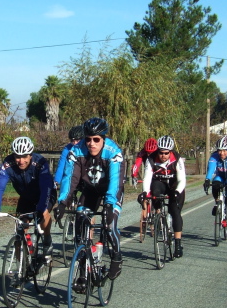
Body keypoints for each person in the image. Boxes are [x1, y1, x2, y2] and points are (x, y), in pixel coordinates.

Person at [53, 117, 125, 281]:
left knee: (109, 222)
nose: (91, 143)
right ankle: (84, 269)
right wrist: (62, 202)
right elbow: (70, 178)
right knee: (80, 221)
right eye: (88, 139)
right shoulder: (76, 151)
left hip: (110, 190)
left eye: (96, 139)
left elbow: (115, 181)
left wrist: (109, 204)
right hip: (90, 190)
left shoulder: (113, 152)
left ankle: (117, 256)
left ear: (103, 139)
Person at [0, 136, 54, 259]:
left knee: (44, 213)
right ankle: (21, 269)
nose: (21, 160)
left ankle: (47, 239)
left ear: (30, 155)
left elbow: (46, 188)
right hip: (26, 197)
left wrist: (40, 208)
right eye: (17, 156)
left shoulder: (40, 162)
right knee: (20, 231)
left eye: (24, 156)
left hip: (45, 194)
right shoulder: (8, 163)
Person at [140, 136, 187, 257]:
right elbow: (147, 178)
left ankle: (177, 244)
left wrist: (177, 192)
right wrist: (145, 193)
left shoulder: (176, 158)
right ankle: (159, 213)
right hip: (159, 183)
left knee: (175, 211)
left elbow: (182, 179)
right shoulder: (151, 159)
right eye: (161, 153)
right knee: (155, 191)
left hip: (174, 185)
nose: (163, 156)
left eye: (166, 153)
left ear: (170, 152)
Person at [203, 135, 227, 238]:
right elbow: (211, 170)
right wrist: (207, 180)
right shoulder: (214, 156)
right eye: (219, 150)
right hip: (220, 176)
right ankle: (217, 202)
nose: (221, 153)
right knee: (215, 184)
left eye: (224, 151)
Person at [132, 138, 158, 232]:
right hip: (148, 173)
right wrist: (134, 176)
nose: (149, 154)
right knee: (145, 194)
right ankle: (145, 209)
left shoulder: (159, 153)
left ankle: (158, 212)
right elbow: (136, 166)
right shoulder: (142, 153)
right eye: (148, 152)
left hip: (157, 173)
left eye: (151, 152)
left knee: (157, 194)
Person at [53, 125, 83, 190]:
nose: (75, 143)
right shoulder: (67, 148)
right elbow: (61, 164)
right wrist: (56, 180)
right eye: (72, 140)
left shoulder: (86, 148)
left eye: (77, 140)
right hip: (71, 176)